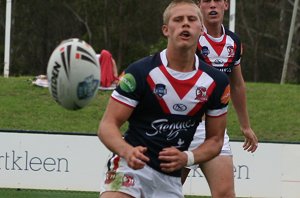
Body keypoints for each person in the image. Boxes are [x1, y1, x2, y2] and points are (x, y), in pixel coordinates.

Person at [97, 0, 231, 197]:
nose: (185, 24)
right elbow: (107, 125)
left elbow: (216, 140)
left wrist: (188, 157)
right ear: (166, 30)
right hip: (128, 168)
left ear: (201, 29)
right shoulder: (140, 72)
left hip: (169, 180)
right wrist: (126, 151)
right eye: (178, 19)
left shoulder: (216, 82)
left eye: (192, 19)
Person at [181, 0, 259, 198]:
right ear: (199, 6)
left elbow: (237, 84)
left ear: (226, 4)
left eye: (218, 0)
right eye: (207, 1)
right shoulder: (190, 38)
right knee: (166, 191)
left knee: (225, 194)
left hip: (215, 130)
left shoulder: (234, 42)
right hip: (182, 126)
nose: (212, 5)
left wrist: (246, 126)